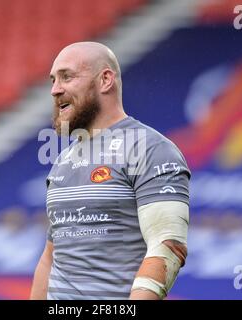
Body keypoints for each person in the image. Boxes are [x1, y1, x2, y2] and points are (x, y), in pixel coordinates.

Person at [30, 42, 190, 300]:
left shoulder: (151, 148)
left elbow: (168, 247)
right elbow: (50, 257)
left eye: (66, 76)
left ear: (105, 80)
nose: (55, 90)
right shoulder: (63, 160)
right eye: (53, 80)